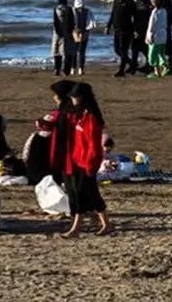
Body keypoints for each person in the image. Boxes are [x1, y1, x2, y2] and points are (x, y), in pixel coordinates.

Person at [58, 83, 112, 239]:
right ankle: (106, 224)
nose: (73, 100)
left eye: (75, 97)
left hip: (88, 161)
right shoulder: (79, 115)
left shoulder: (91, 118)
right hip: (78, 159)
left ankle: (76, 228)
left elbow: (94, 143)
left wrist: (91, 163)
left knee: (80, 192)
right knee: (92, 193)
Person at [106, 0, 137, 77]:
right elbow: (112, 14)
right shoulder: (116, 1)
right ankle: (132, 63)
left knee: (124, 51)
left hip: (126, 30)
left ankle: (121, 71)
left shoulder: (130, 2)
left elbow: (135, 17)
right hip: (116, 29)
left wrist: (135, 30)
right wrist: (108, 26)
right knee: (117, 50)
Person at [145, 0, 169, 79]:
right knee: (160, 53)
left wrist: (150, 35)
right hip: (163, 35)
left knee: (152, 55)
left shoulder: (155, 12)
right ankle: (161, 69)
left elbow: (152, 25)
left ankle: (160, 69)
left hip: (155, 35)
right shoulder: (164, 11)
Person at [51, 0, 76, 76]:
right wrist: (70, 31)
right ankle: (66, 70)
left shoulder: (55, 9)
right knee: (67, 52)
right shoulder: (69, 9)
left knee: (57, 51)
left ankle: (56, 69)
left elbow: (55, 22)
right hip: (66, 33)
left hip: (57, 33)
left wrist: (58, 32)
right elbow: (71, 22)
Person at [154, 0, 172, 71]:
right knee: (168, 46)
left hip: (162, 26)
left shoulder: (161, 1)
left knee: (160, 46)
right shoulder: (168, 0)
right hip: (167, 25)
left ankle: (164, 66)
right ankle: (169, 65)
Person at [71, 0, 94, 76]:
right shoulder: (87, 11)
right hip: (78, 33)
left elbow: (92, 22)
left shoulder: (73, 11)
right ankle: (77, 68)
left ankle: (75, 68)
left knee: (78, 51)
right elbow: (92, 22)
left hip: (80, 33)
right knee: (81, 52)